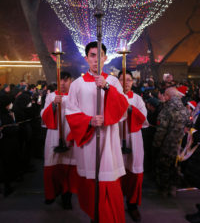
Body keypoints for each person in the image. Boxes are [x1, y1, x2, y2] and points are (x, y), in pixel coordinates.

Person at [65, 41, 129, 223]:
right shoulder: (77, 84)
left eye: (99, 55)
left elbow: (123, 107)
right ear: (86, 58)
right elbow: (70, 112)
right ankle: (95, 216)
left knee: (108, 180)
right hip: (89, 140)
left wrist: (107, 88)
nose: (96, 59)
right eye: (92, 55)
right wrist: (89, 121)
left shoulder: (113, 81)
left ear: (105, 58)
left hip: (108, 140)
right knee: (91, 182)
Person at [41, 71, 78, 209]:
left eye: (66, 80)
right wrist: (53, 105)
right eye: (60, 81)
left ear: (71, 81)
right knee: (53, 168)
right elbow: (44, 116)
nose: (62, 83)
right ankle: (51, 194)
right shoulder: (51, 96)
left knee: (68, 169)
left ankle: (66, 197)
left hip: (70, 135)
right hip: (54, 135)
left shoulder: (76, 97)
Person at [118, 70, 148, 222]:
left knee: (134, 171)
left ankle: (132, 205)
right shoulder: (112, 97)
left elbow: (143, 118)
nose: (126, 83)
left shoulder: (137, 99)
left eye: (129, 80)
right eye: (123, 79)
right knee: (116, 173)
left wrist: (130, 108)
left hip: (133, 138)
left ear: (132, 82)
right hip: (116, 139)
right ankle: (115, 204)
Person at [152, 87, 190, 197]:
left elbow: (161, 130)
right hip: (179, 145)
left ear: (167, 96)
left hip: (166, 145)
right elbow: (188, 126)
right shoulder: (185, 109)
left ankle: (163, 190)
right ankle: (173, 188)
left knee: (163, 167)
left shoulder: (167, 109)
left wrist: (156, 145)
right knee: (175, 166)